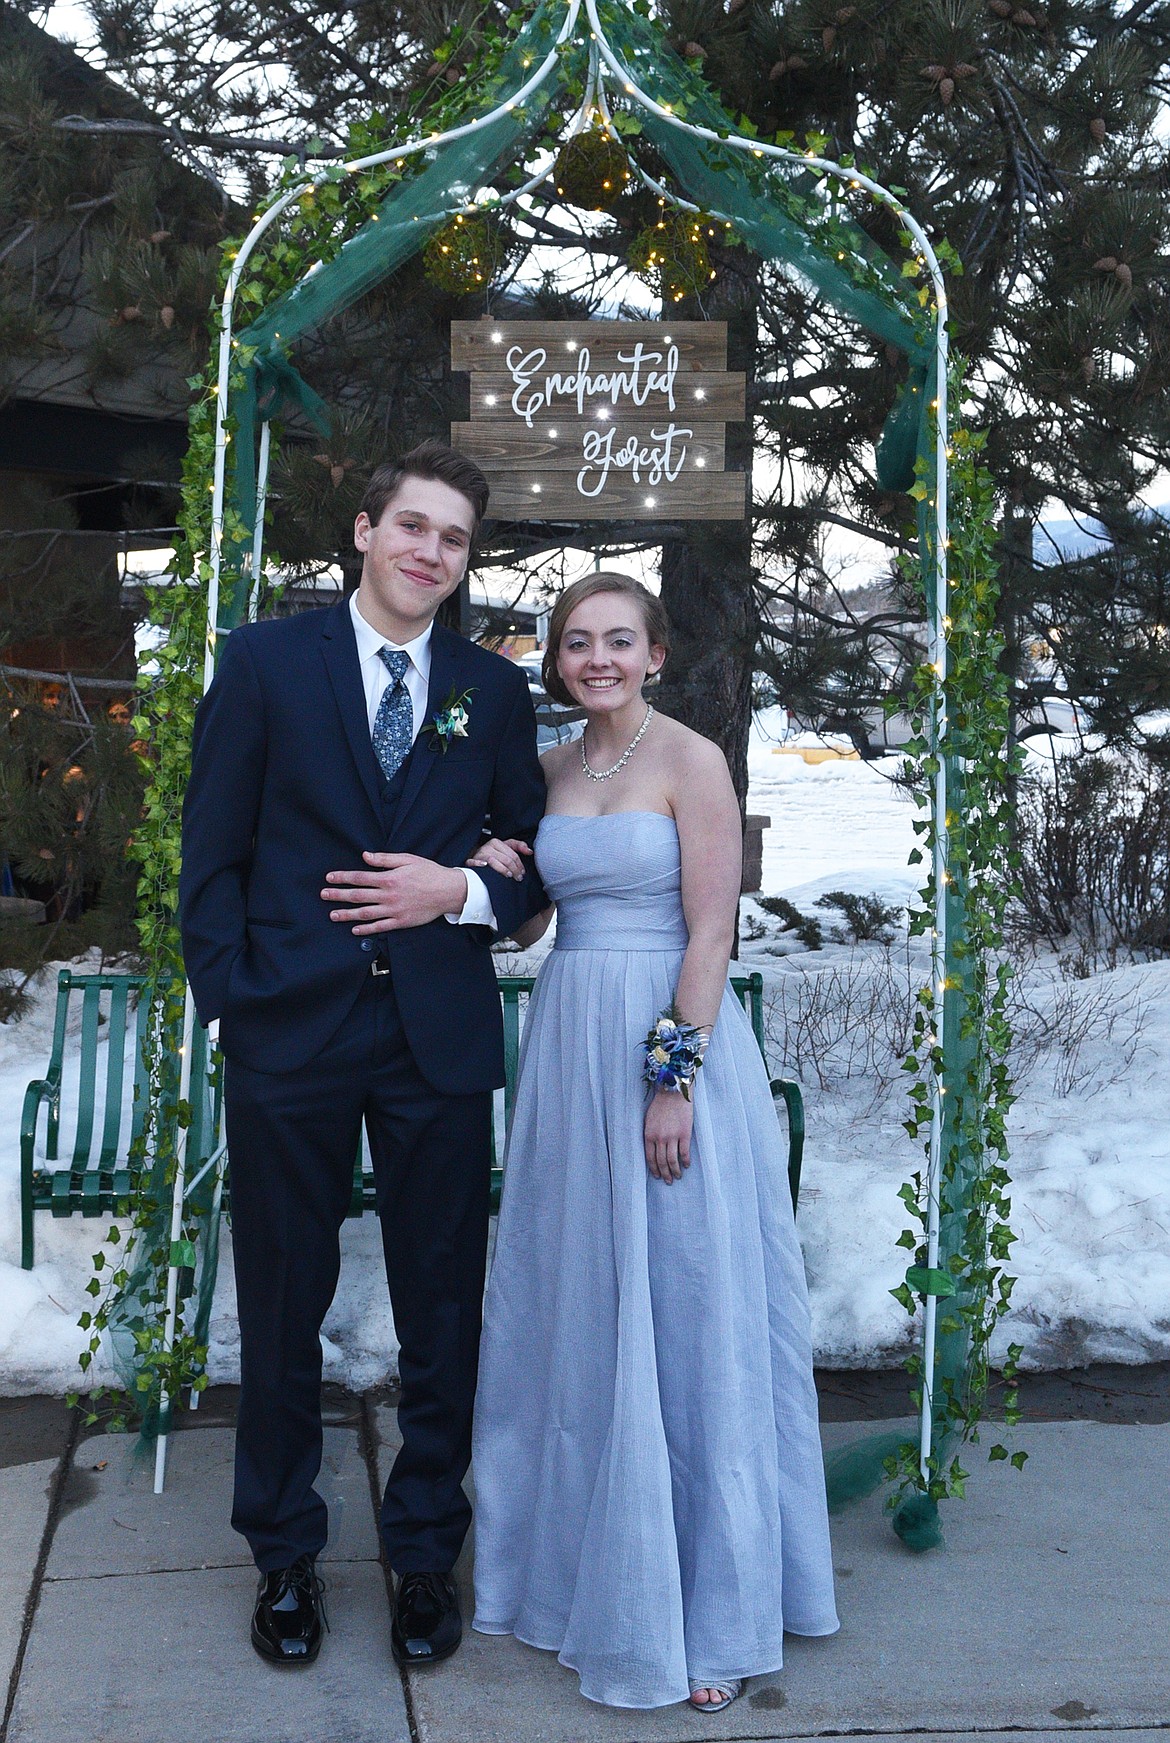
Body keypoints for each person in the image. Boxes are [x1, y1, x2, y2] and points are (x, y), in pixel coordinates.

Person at [178, 442, 547, 1668]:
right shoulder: (265, 662)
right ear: (364, 530)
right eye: (414, 526)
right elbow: (213, 852)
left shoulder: (491, 694)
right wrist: (239, 996)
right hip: (294, 1030)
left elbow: (530, 864)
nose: (430, 552)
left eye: (453, 539)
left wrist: (460, 891)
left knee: (445, 1311)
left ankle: (425, 1554)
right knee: (283, 1304)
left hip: (436, 1039)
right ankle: (282, 1550)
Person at [468, 572, 839, 1713]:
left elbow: (711, 922)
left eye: (617, 641)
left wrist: (671, 1077)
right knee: (578, 1302)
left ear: (656, 652)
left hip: (665, 1040)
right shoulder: (549, 770)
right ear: (557, 660)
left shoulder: (692, 761)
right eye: (577, 644)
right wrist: (492, 877)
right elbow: (535, 915)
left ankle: (706, 1608)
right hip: (569, 1037)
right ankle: (584, 1571)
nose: (596, 660)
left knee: (680, 1301)